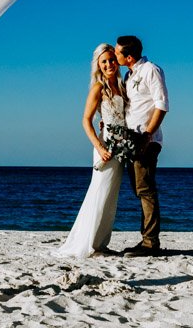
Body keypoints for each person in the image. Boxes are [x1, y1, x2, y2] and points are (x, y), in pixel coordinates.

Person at [54, 43, 127, 258]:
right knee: (99, 193)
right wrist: (99, 146)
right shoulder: (98, 88)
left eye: (111, 60)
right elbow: (86, 121)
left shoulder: (122, 86)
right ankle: (91, 246)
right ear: (98, 66)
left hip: (120, 148)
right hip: (104, 148)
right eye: (103, 62)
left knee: (110, 197)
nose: (108, 64)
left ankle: (101, 243)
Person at [115, 35, 168, 256]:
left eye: (117, 52)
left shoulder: (150, 70)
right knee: (139, 189)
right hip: (131, 142)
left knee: (146, 190)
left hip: (146, 140)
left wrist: (147, 135)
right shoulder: (129, 75)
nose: (114, 54)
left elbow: (162, 105)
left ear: (128, 56)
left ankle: (150, 243)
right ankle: (146, 240)